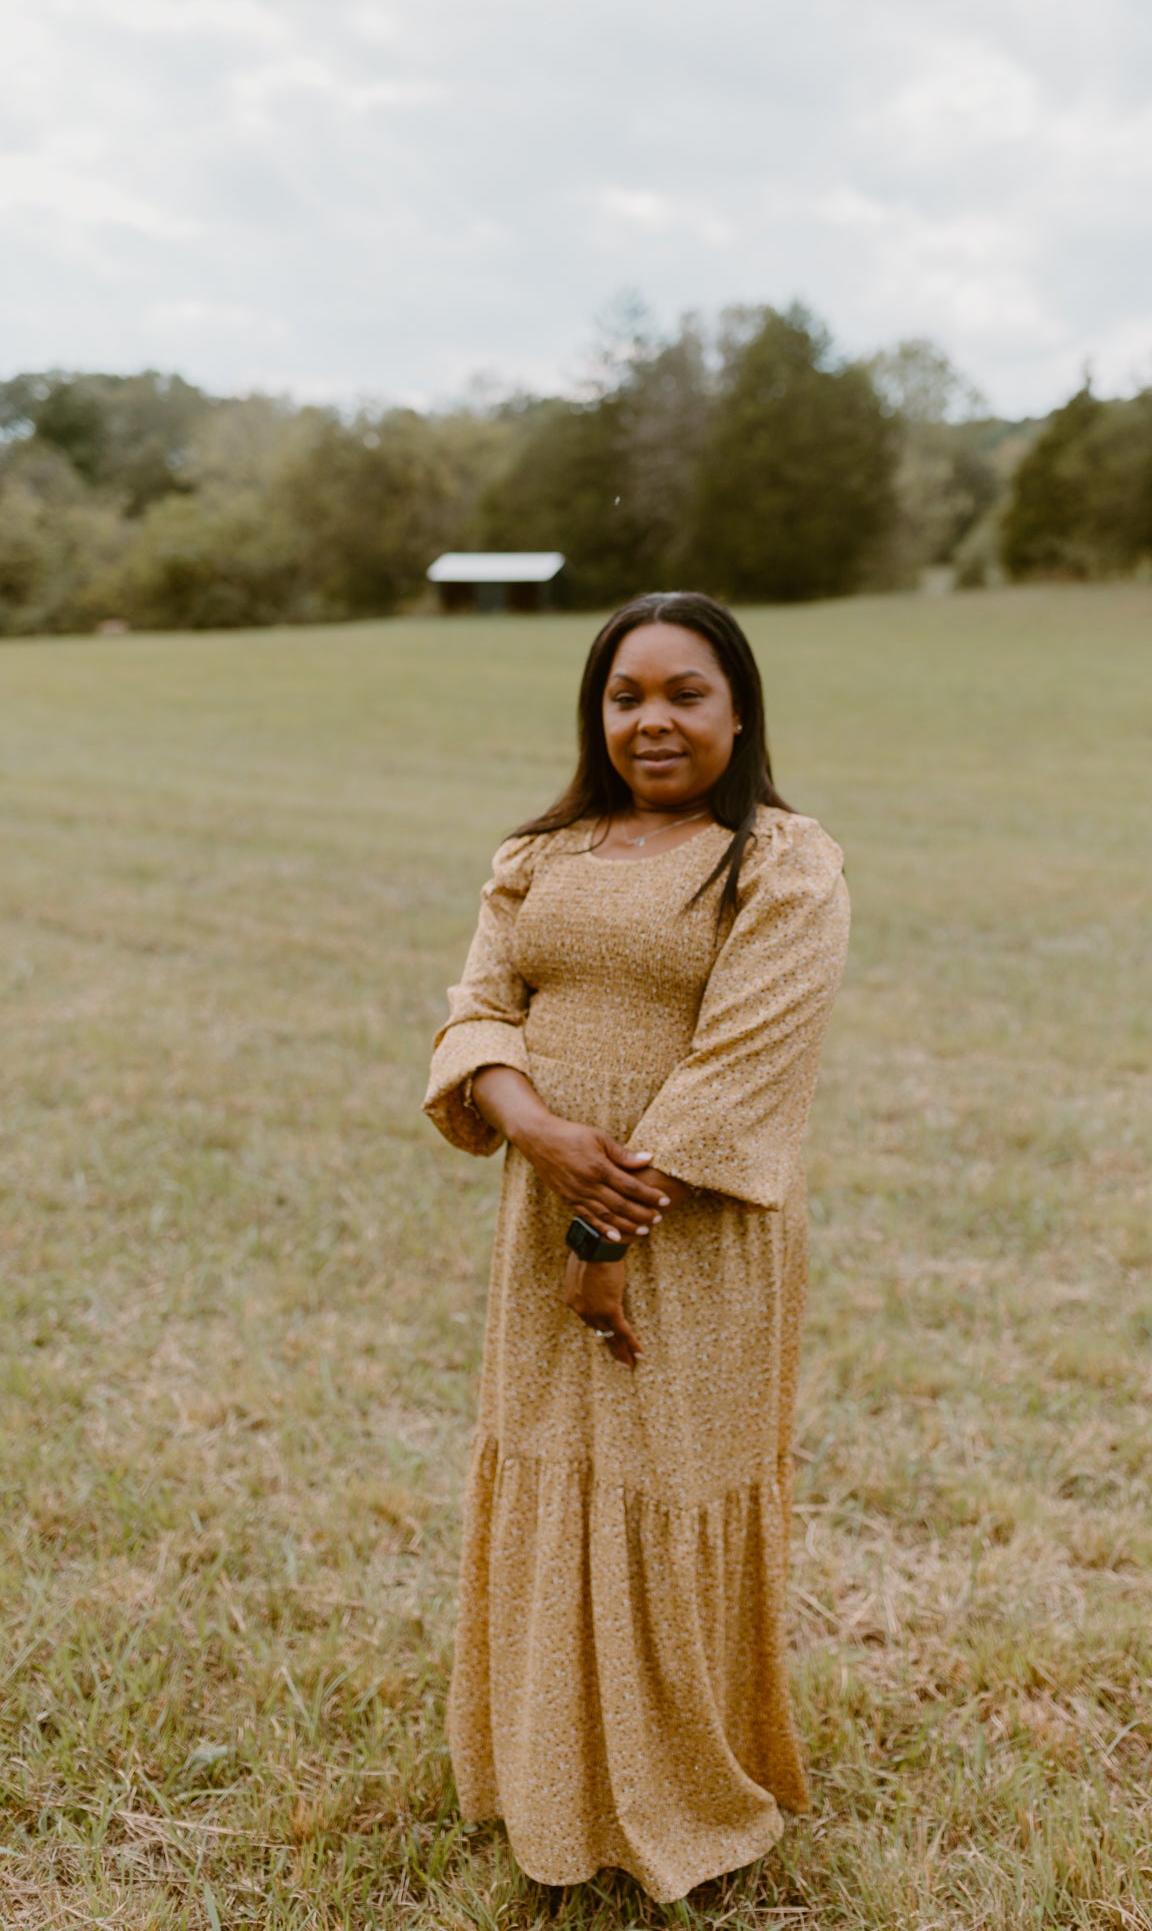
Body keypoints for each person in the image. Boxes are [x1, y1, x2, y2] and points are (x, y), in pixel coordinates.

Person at [423, 590, 850, 1904]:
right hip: (541, 1221)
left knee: (668, 1480)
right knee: (556, 1470)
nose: (651, 720)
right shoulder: (542, 851)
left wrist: (603, 1227)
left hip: (692, 1234)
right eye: (626, 696)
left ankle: (674, 1789)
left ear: (739, 710)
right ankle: (550, 1780)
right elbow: (476, 1011)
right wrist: (539, 1133)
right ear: (596, 712)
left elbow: (740, 1067)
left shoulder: (780, 861)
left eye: (684, 694)